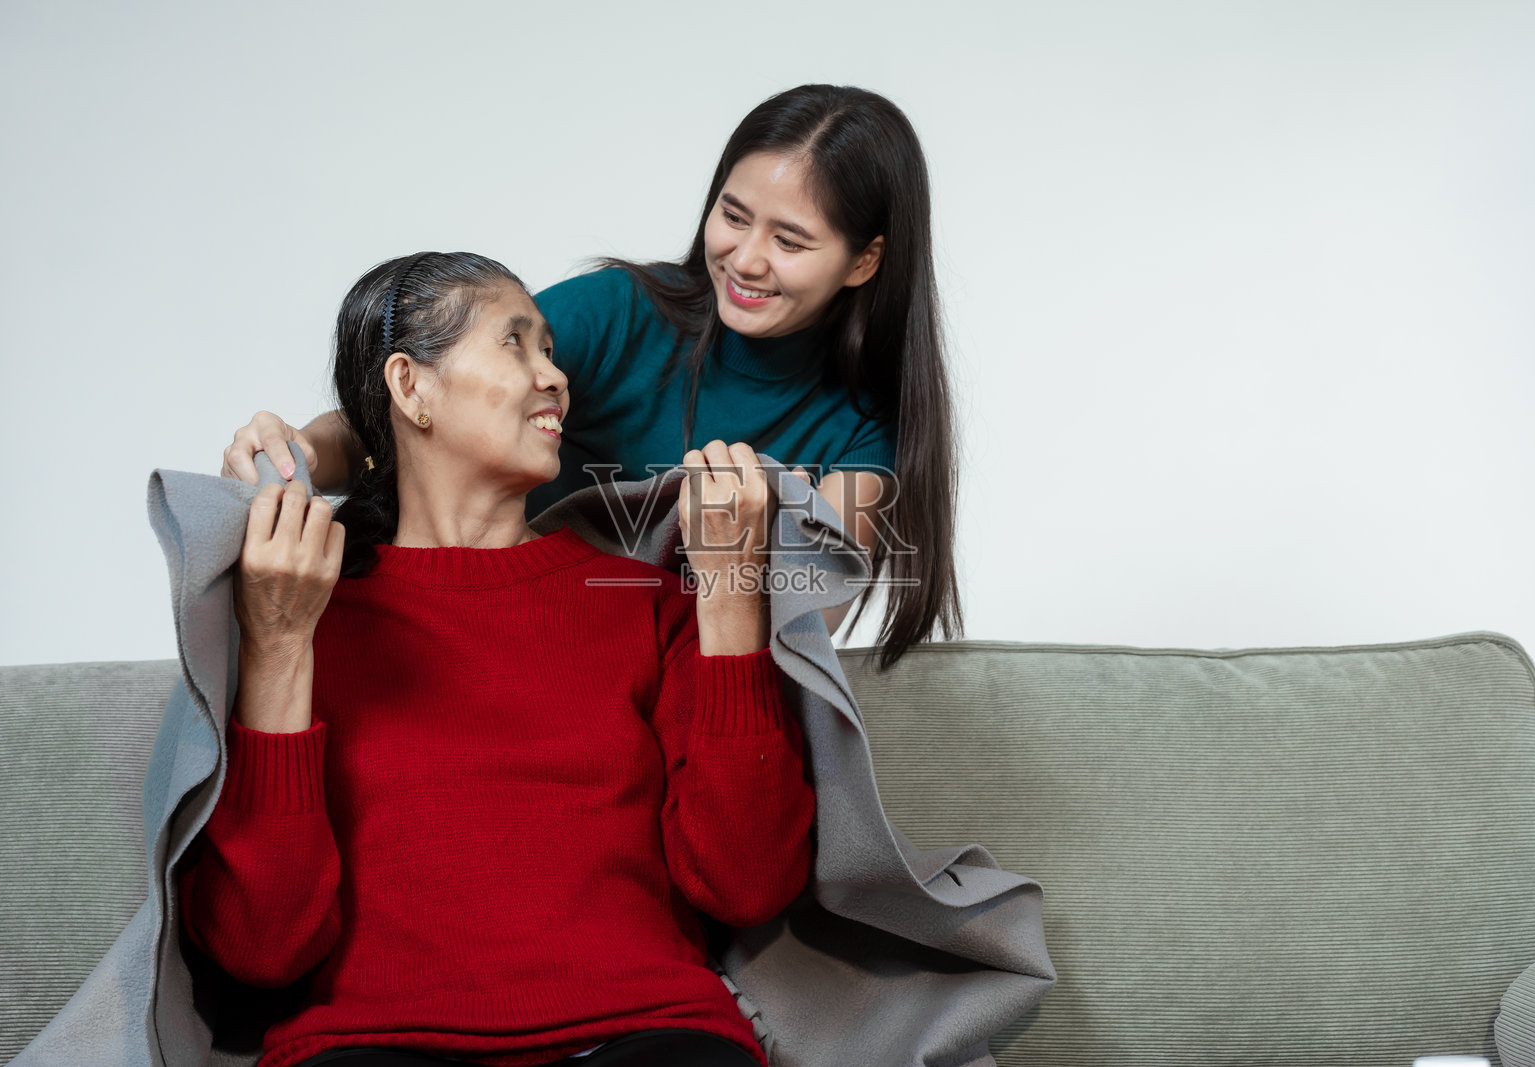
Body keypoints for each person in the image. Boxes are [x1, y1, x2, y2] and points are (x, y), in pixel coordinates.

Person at [181, 251, 815, 1067]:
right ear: (411, 387)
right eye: (516, 344)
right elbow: (261, 946)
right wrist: (276, 643)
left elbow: (748, 882)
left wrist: (730, 597)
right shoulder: (299, 606)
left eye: (551, 349)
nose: (555, 377)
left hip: (643, 1033)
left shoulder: (645, 599)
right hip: (376, 1045)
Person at [221, 84, 959, 668]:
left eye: (791, 240)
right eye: (733, 216)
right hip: (491, 632)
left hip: (666, 690)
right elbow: (438, 398)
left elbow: (797, 635)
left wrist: (731, 554)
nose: (746, 259)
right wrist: (302, 452)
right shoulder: (622, 312)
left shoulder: (868, 434)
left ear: (864, 261)